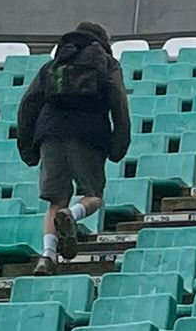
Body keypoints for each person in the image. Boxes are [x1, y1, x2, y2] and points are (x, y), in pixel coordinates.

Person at [15, 20, 132, 273]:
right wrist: (119, 143)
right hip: (88, 135)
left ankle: (47, 255)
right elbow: (119, 101)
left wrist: (27, 147)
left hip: (50, 134)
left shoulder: (53, 65)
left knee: (55, 200)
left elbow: (28, 104)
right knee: (93, 195)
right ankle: (73, 215)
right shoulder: (108, 64)